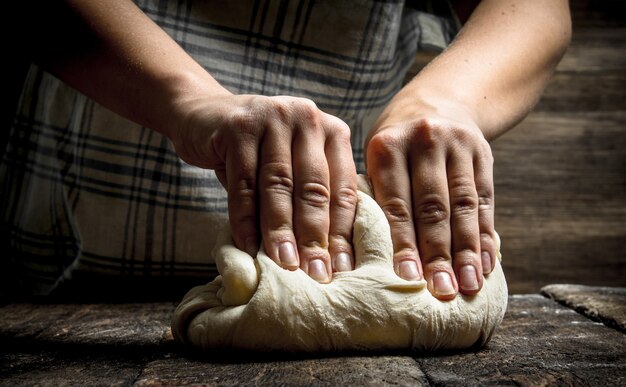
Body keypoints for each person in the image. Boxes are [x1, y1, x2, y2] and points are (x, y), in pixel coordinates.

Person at [1, 0, 571, 300]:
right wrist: (189, 100)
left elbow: (532, 6)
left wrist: (444, 99)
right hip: (59, 263)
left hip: (333, 265)